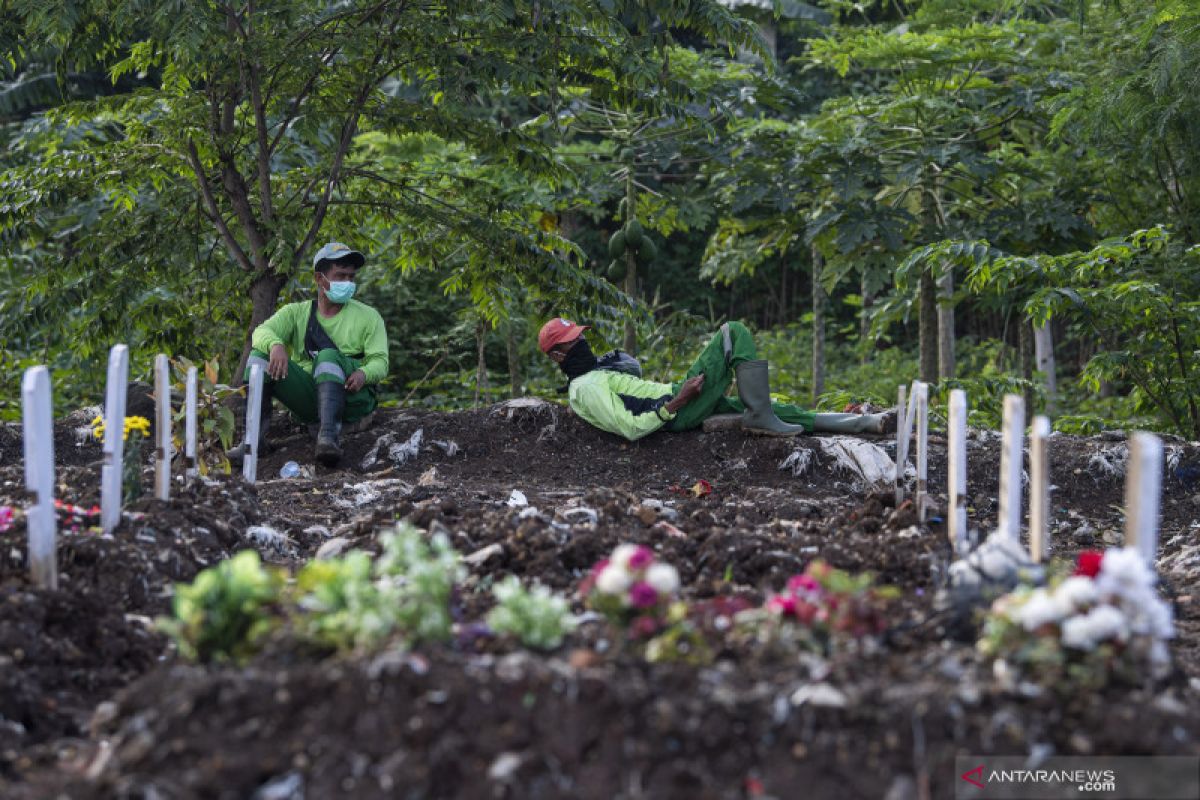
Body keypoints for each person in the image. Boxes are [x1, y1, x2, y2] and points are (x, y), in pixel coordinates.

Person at [538, 317, 893, 441]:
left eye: (581, 336)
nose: (583, 342)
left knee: (778, 408)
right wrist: (679, 400)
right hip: (677, 410)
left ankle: (867, 423)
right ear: (558, 357)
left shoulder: (595, 373)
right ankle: (760, 418)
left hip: (678, 401)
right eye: (574, 343)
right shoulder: (584, 387)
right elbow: (628, 427)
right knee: (731, 333)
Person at [229, 242, 389, 466]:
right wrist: (276, 345)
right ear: (319, 279)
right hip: (312, 396)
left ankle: (329, 439)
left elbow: (381, 361)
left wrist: (363, 373)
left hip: (352, 398)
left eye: (351, 277)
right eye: (340, 276)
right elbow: (261, 332)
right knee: (258, 358)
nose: (348, 283)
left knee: (327, 356)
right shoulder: (296, 313)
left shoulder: (368, 316)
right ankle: (252, 441)